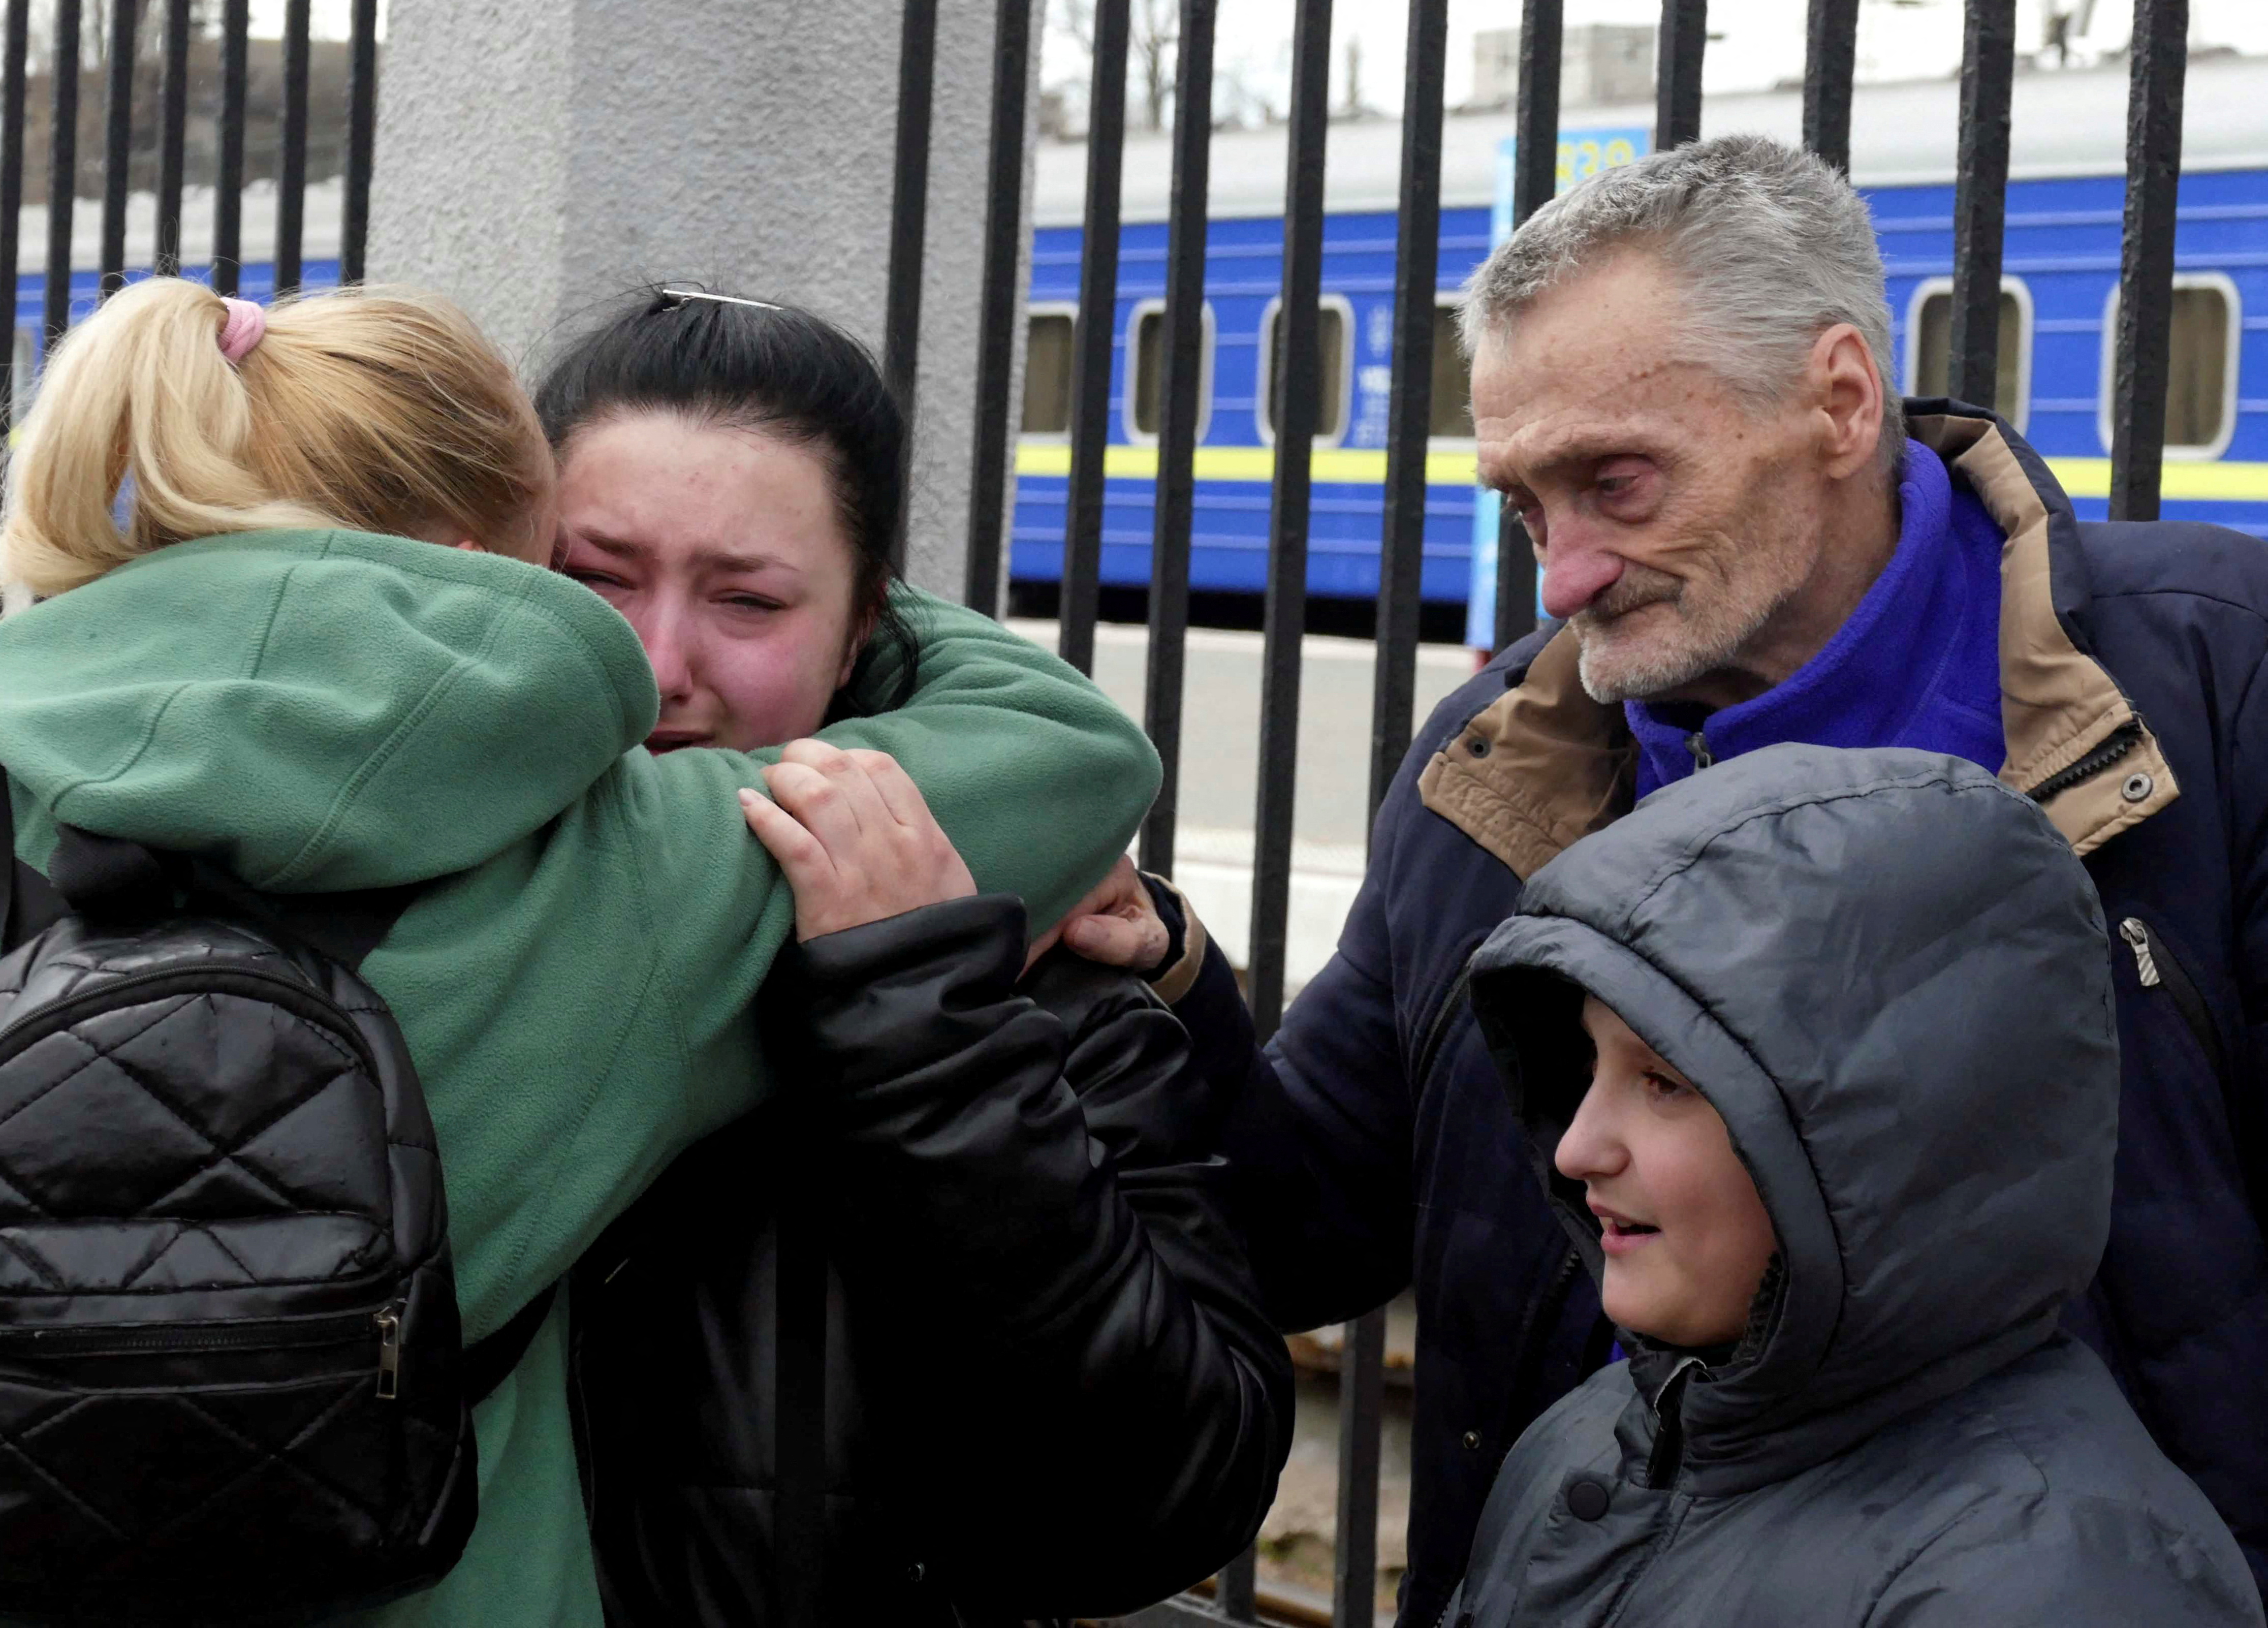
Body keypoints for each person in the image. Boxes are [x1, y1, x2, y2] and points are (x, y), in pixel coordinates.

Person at [0, 275, 1161, 1626]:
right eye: (580, 574)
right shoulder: (629, 879)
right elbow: (1068, 749)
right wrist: (833, 579)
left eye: (739, 596)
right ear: (475, 557)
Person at [1070, 131, 2268, 1619]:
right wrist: (1165, 979)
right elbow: (1313, 1220)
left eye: (1615, 483)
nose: (1558, 573)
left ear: (1835, 398)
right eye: (1523, 506)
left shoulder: (2215, 682)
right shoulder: (1498, 757)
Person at [536, 286, 1290, 1625]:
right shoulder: (391, 899)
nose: (657, 665)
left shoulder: (1024, 973)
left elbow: (1170, 1496)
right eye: (596, 577)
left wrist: (926, 1034)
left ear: (864, 628)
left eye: (749, 599)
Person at [1451, 744, 2260, 1627]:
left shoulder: (2057, 1579)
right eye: (1589, 1067)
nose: (1575, 1149)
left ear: (1887, 1135)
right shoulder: (1604, 1436)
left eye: (1663, 1083)